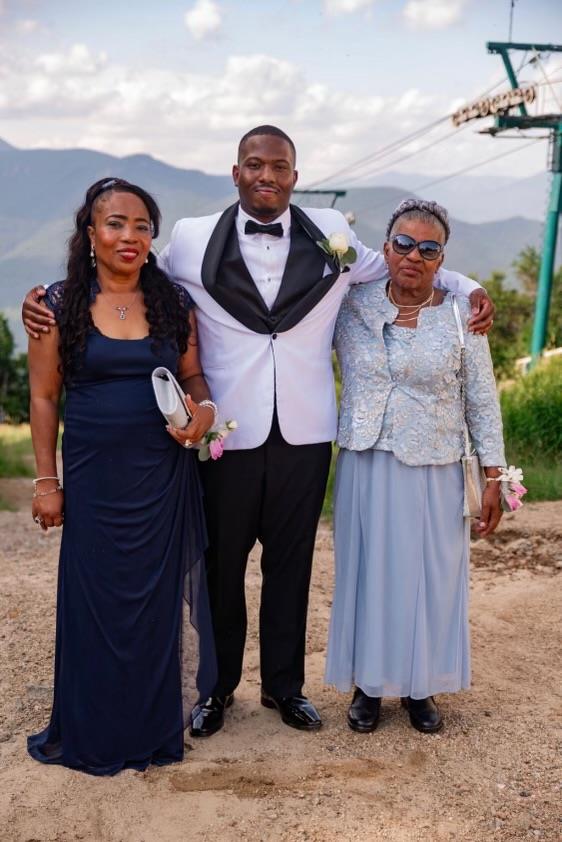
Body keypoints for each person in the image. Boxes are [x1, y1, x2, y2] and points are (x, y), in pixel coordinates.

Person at [22, 127, 495, 739]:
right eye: (255, 164)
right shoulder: (191, 240)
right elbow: (127, 275)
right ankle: (216, 690)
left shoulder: (334, 234)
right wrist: (51, 296)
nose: (267, 174)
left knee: (292, 565)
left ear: (295, 176)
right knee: (222, 565)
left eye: (280, 166)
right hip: (225, 430)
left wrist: (470, 286)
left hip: (306, 430)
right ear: (236, 172)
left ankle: (284, 688)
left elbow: (408, 266)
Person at [27, 178, 217, 775]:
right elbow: (43, 398)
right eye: (115, 224)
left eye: (141, 226)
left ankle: (153, 731)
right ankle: (93, 729)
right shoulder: (55, 305)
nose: (129, 236)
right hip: (93, 484)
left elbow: (194, 380)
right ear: (90, 234)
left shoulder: (171, 303)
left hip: (161, 481)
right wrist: (46, 483)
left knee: (153, 608)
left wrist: (203, 415)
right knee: (95, 604)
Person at [325, 199, 506, 734]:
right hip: (366, 459)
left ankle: (421, 685)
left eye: (429, 249)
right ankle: (368, 685)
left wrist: (493, 475)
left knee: (431, 577)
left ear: (440, 258)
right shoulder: (349, 304)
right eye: (403, 243)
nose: (414, 256)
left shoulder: (460, 315)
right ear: (385, 249)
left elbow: (482, 399)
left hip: (436, 465)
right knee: (368, 574)